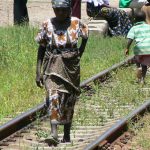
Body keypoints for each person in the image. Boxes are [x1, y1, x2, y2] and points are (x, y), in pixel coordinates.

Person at [35, 0, 88, 143]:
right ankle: (53, 133)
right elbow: (41, 48)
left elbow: (85, 36)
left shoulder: (76, 23)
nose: (60, 13)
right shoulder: (47, 24)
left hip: (71, 66)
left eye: (63, 10)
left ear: (69, 10)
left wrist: (79, 53)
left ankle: (66, 134)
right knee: (53, 95)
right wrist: (38, 72)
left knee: (68, 99)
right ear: (53, 9)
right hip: (52, 64)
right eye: (57, 10)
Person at [125, 10, 150, 84]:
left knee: (138, 60)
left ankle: (138, 67)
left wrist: (127, 48)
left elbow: (130, 39)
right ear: (145, 19)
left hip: (139, 49)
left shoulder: (134, 28)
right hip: (148, 49)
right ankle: (142, 79)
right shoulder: (148, 27)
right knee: (144, 65)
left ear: (134, 19)